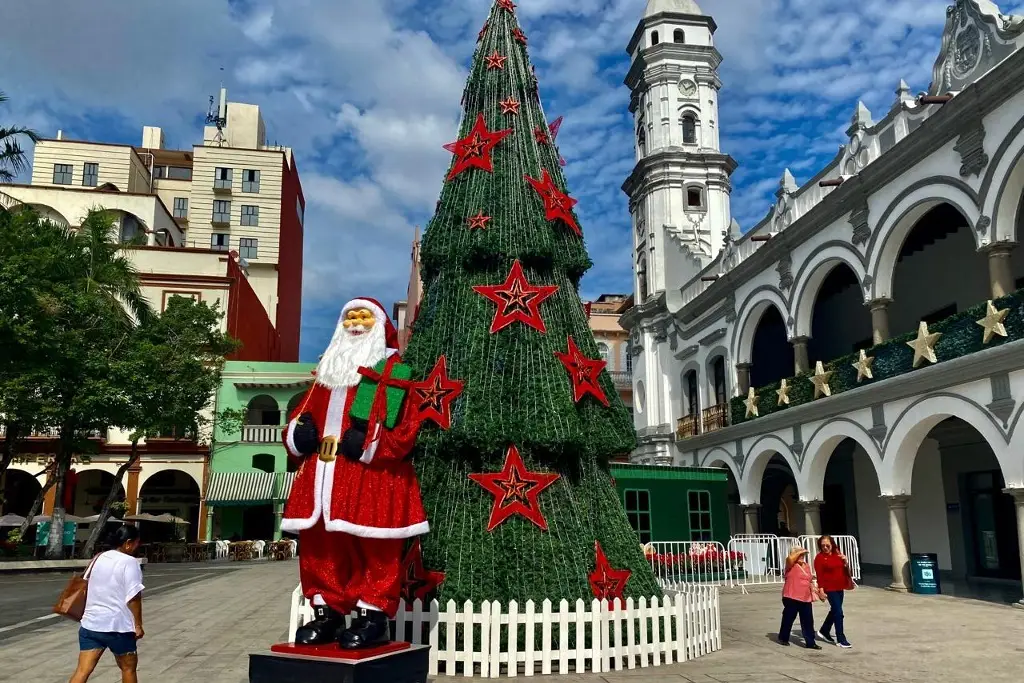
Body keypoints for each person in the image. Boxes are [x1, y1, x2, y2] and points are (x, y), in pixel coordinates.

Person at [282, 297, 427, 649]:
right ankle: (328, 612)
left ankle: (372, 615)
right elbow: (302, 414)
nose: (355, 323)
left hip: (369, 478)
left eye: (363, 317)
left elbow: (406, 429)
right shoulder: (326, 374)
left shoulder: (392, 373)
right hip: (320, 478)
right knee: (320, 548)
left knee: (374, 549)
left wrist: (369, 442)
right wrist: (296, 434)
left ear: (379, 326)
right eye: (349, 317)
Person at [70, 525, 145, 683]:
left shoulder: (99, 557)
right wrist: (138, 624)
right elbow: (134, 597)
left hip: (90, 625)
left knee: (82, 671)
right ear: (128, 543)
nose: (138, 546)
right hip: (117, 627)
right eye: (137, 543)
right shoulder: (129, 562)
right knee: (128, 668)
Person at [778, 546, 823, 649]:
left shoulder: (806, 566)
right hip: (791, 596)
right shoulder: (790, 565)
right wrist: (797, 552)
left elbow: (809, 580)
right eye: (799, 554)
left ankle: (810, 642)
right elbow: (789, 559)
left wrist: (817, 591)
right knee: (788, 618)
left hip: (805, 597)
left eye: (803, 554)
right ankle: (783, 637)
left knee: (808, 620)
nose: (802, 556)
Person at [814, 534, 853, 648]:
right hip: (829, 588)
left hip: (840, 586)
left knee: (835, 610)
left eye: (827, 545)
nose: (825, 548)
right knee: (839, 613)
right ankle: (841, 638)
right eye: (822, 546)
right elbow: (819, 575)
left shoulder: (838, 554)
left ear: (832, 544)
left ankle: (824, 631)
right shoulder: (819, 558)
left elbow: (846, 569)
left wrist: (845, 561)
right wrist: (820, 590)